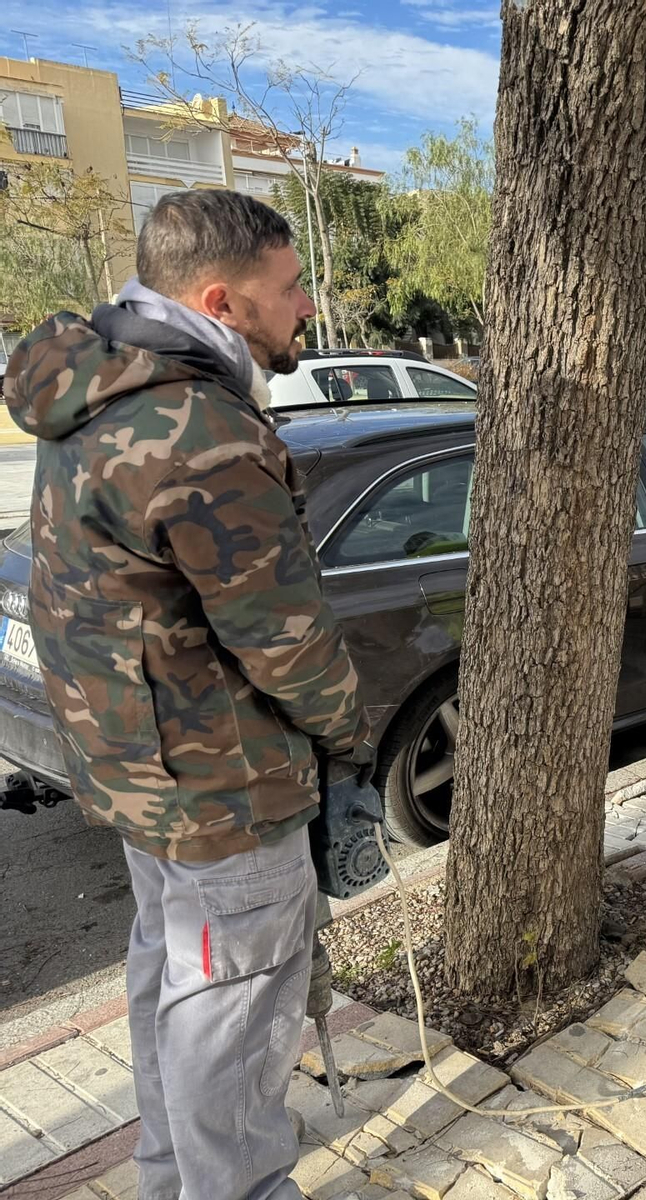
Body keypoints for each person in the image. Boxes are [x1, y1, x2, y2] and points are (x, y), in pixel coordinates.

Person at [3, 189, 369, 1199]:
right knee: (236, 1006)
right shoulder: (198, 428)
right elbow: (285, 640)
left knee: (175, 978)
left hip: (135, 769)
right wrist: (352, 741)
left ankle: (172, 1177)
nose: (307, 307)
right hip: (223, 788)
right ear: (222, 298)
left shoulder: (93, 392)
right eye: (291, 288)